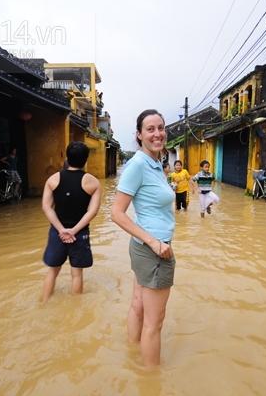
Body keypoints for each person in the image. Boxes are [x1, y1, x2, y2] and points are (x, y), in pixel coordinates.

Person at [111, 109, 176, 367]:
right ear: (139, 135)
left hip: (144, 247)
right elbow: (116, 213)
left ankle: (131, 359)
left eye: (161, 127)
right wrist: (154, 243)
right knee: (155, 324)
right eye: (150, 129)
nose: (157, 133)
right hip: (154, 250)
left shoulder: (156, 163)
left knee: (138, 306)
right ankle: (151, 380)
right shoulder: (137, 164)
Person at [41, 141, 102, 302]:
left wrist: (61, 230)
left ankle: (44, 303)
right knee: (77, 274)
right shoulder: (93, 182)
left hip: (57, 233)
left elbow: (47, 208)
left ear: (67, 157)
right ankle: (75, 306)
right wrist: (73, 231)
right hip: (79, 234)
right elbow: (92, 212)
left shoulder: (53, 179)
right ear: (86, 159)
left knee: (53, 271)